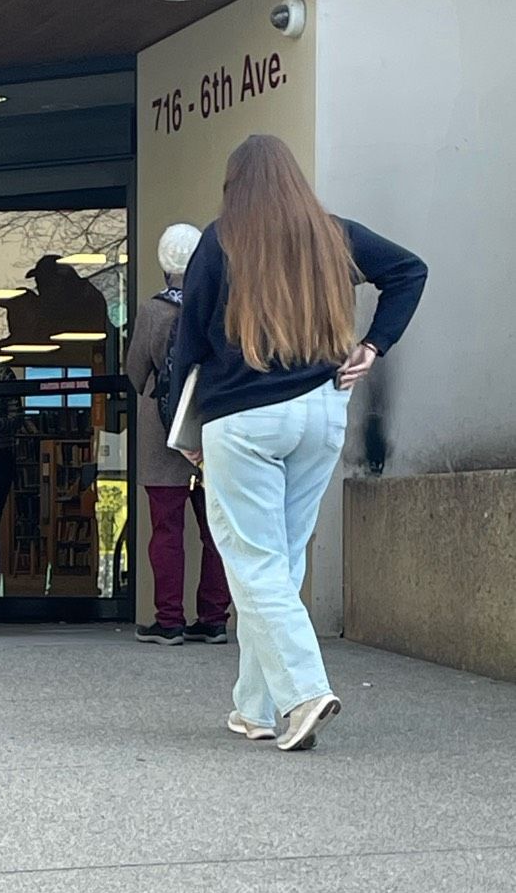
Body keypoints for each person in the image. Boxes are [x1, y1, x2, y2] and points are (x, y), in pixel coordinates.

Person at [173, 132, 427, 752]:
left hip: (245, 418)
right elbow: (409, 271)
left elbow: (190, 344)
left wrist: (185, 429)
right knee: (281, 560)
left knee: (253, 561)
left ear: (235, 185)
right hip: (321, 411)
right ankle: (254, 708)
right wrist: (373, 346)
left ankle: (305, 693)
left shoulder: (219, 239)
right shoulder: (331, 234)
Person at [125, 223, 232, 646]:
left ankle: (168, 620)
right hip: (212, 431)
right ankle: (215, 619)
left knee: (166, 530)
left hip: (164, 436)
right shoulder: (222, 305)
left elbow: (136, 373)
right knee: (216, 531)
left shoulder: (154, 311)